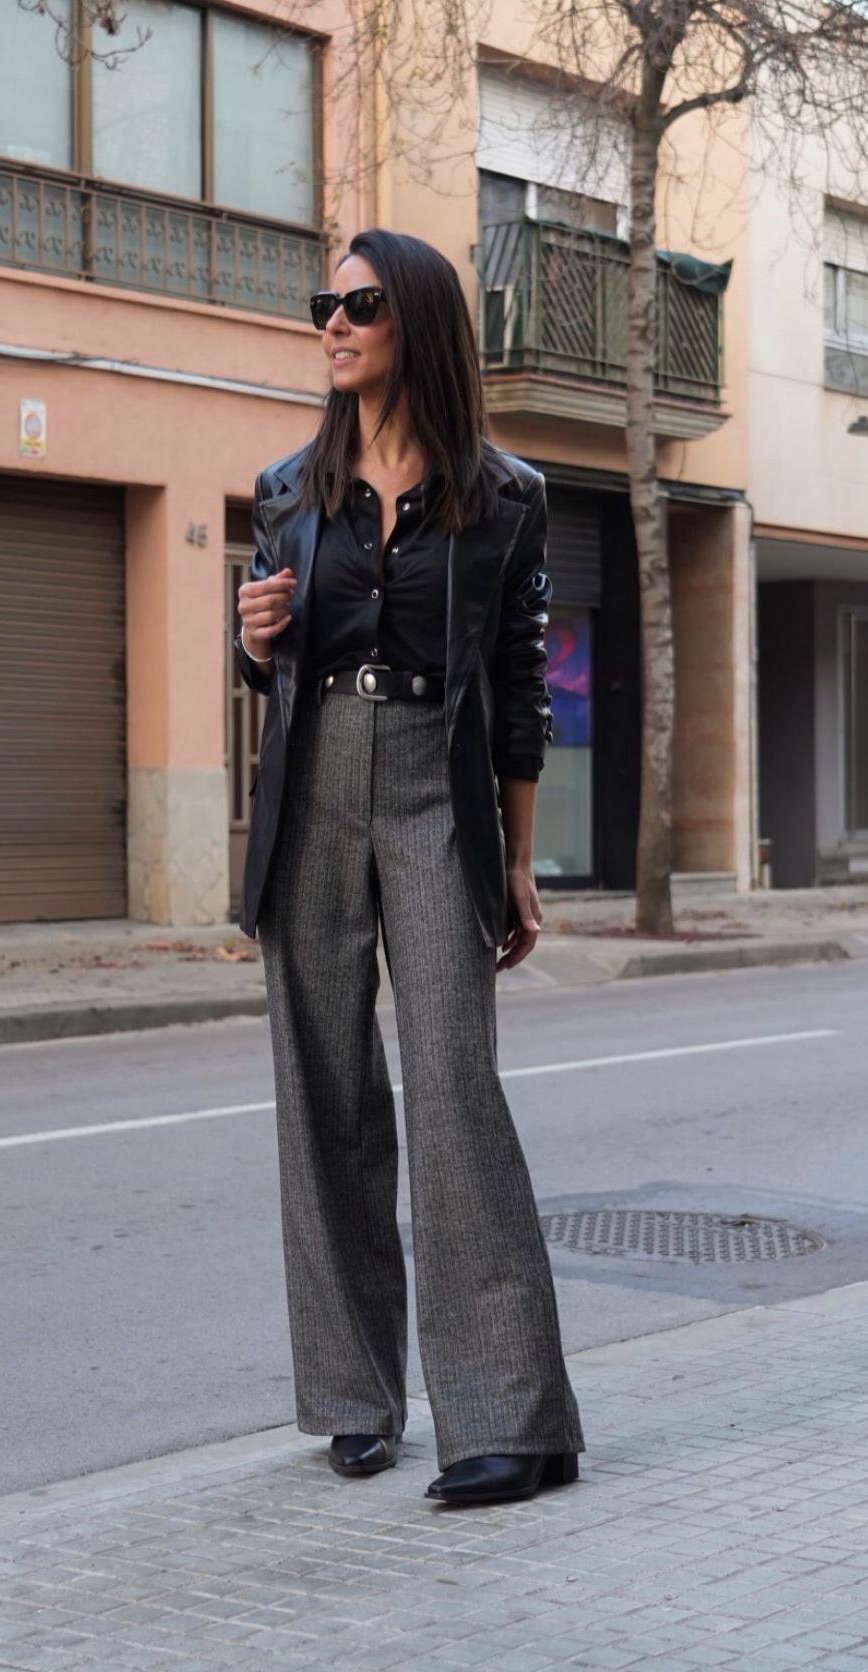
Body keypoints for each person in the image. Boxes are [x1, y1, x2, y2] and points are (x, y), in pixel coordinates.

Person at [234, 228, 584, 1506]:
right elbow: (268, 668)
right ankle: (354, 1399)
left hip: (438, 785)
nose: (332, 323)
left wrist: (521, 860)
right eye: (323, 305)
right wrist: (251, 638)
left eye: (360, 304)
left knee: (453, 1087)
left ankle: (513, 1417)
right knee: (323, 1094)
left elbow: (520, 687)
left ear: (418, 321)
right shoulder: (287, 490)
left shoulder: (508, 495)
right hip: (315, 787)